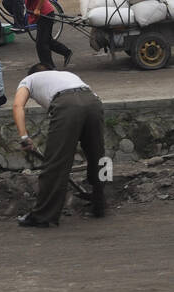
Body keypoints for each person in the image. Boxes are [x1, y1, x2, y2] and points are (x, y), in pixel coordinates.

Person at [11, 63, 105, 226]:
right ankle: (101, 203)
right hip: (93, 102)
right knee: (100, 157)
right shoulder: (67, 74)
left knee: (55, 163)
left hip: (67, 104)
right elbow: (95, 98)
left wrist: (24, 136)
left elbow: (18, 105)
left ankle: (43, 216)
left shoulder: (28, 80)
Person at [13, 0, 73, 71]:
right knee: (47, 40)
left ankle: (49, 67)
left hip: (45, 14)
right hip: (45, 13)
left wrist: (37, 8)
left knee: (41, 44)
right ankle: (66, 52)